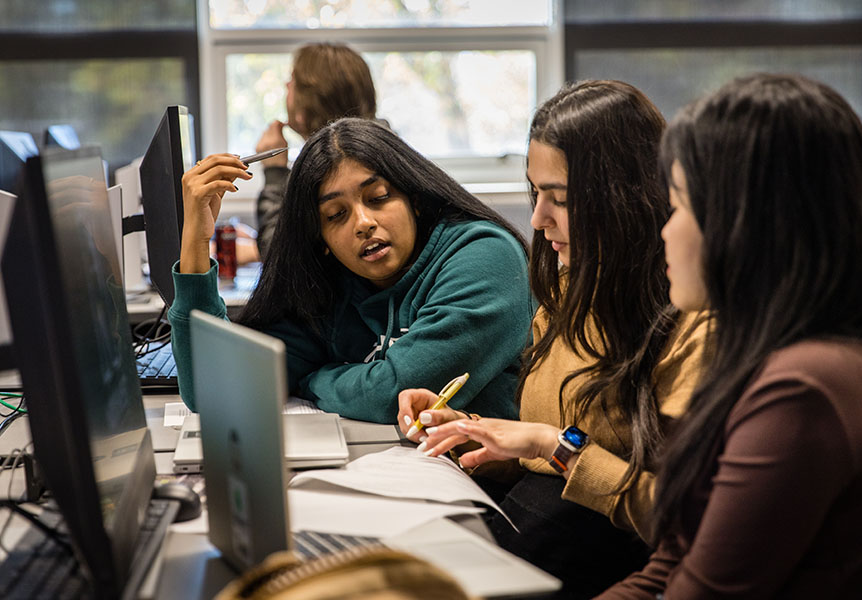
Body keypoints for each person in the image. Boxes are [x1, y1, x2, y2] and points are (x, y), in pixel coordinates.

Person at [400, 81, 710, 598]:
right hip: (536, 537)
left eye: (559, 199)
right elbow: (541, 456)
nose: (539, 219)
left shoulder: (689, 323)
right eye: (535, 192)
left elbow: (681, 517)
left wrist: (556, 447)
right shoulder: (569, 288)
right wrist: (478, 438)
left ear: (623, 198)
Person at [598, 73, 862, 598]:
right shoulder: (759, 353)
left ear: (747, 223)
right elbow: (669, 565)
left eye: (681, 206)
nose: (665, 230)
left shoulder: (806, 386)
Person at [169, 118, 533, 424]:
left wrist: (315, 378)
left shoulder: (485, 256)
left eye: (377, 198)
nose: (363, 223)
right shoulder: (334, 285)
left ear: (415, 200)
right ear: (321, 238)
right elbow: (213, 390)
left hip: (497, 489)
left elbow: (398, 394)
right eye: (335, 215)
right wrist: (195, 244)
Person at [255, 42, 378, 258]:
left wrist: (275, 173)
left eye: (292, 82)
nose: (286, 86)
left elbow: (280, 259)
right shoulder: (380, 147)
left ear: (306, 103)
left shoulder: (337, 165)